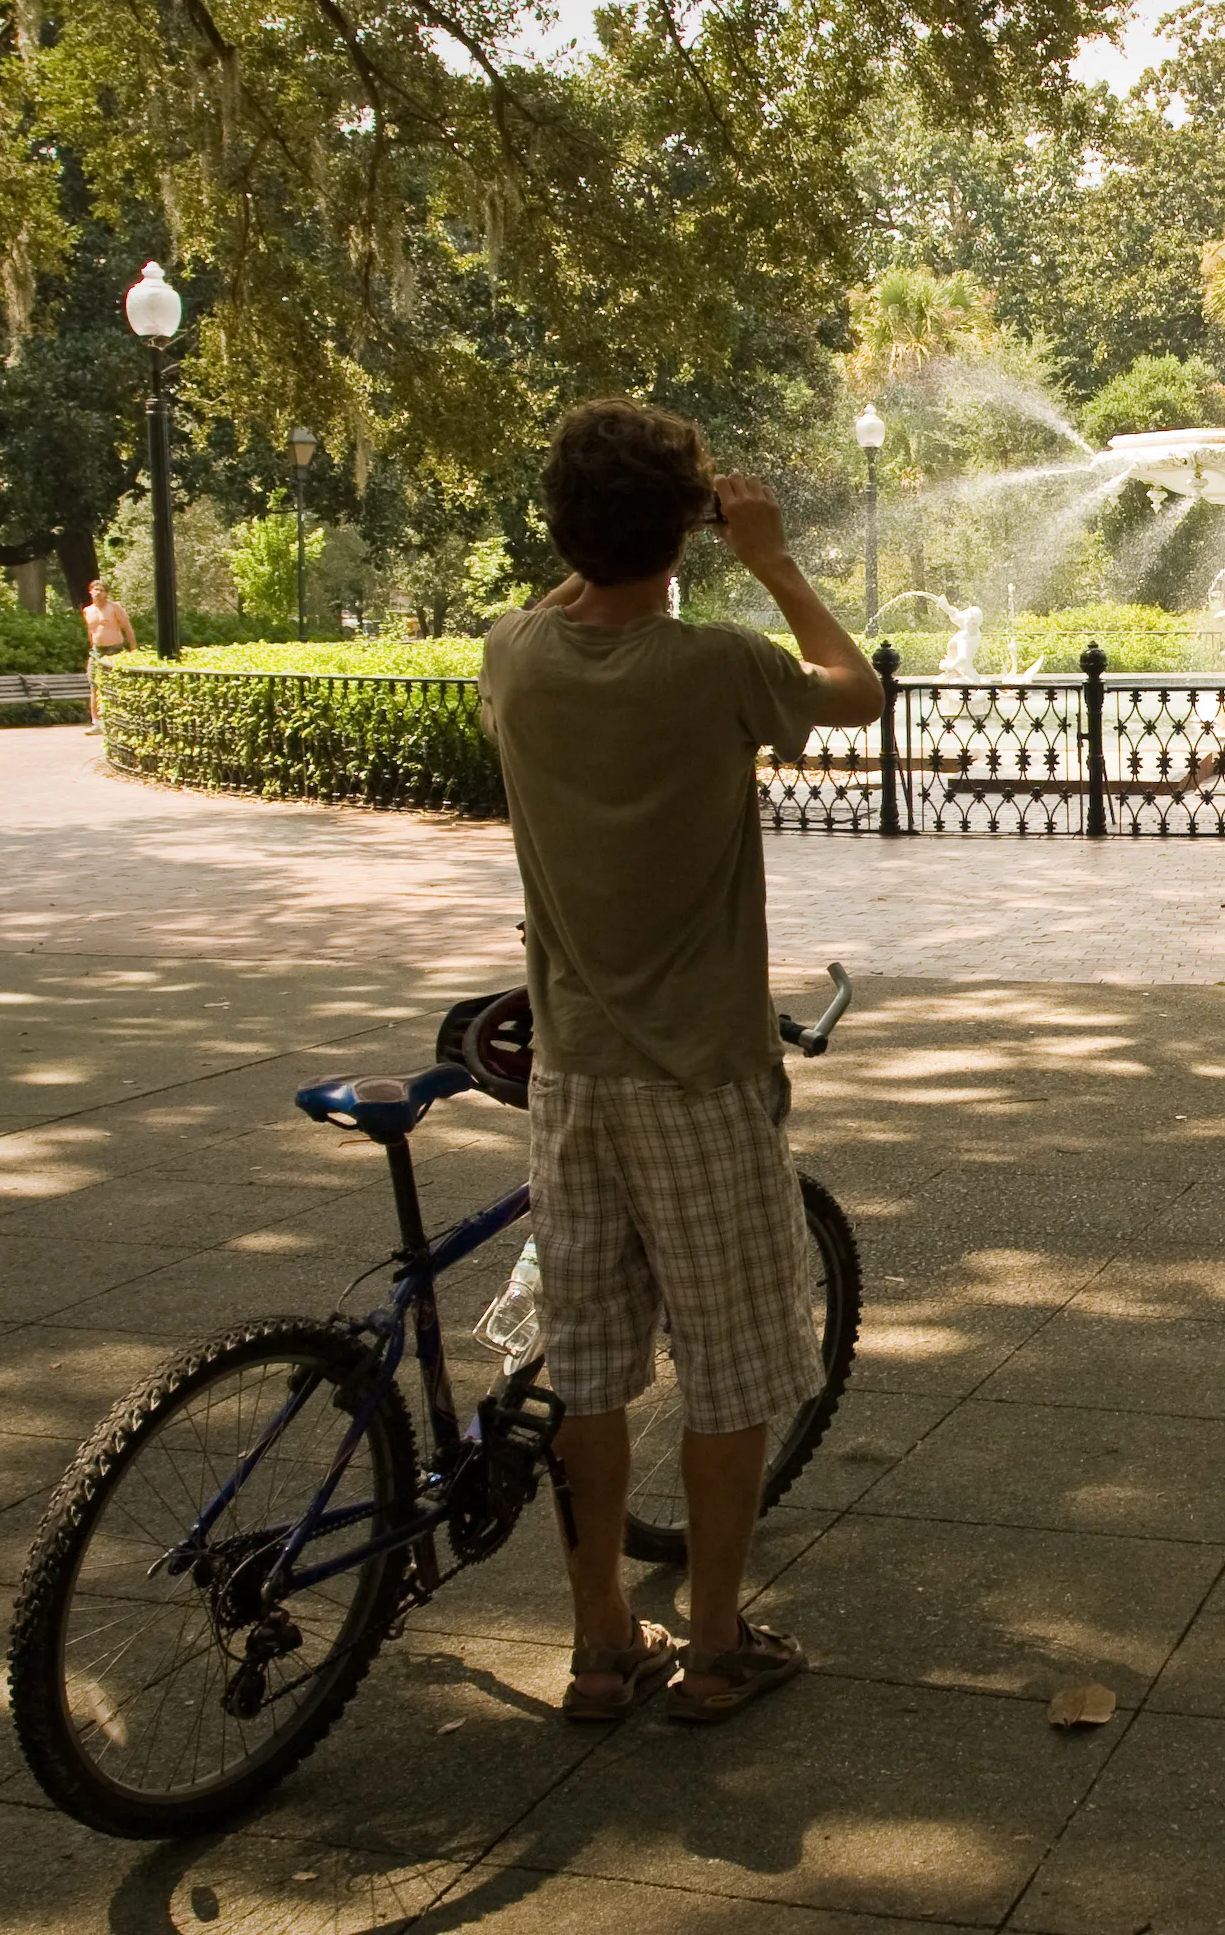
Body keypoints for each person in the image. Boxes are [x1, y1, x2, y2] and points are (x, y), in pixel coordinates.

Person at [476, 400, 882, 1725]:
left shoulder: (515, 656)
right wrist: (765, 557)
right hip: (699, 1080)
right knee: (731, 1365)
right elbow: (857, 693)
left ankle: (600, 1643)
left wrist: (615, 540)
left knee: (584, 1368)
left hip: (572, 1079)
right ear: (689, 530)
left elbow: (575, 599)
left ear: (562, 530)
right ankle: (712, 1645)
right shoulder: (715, 667)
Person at [78, 578, 134, 728]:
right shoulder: (87, 610)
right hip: (97, 652)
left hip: (114, 649)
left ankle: (119, 719)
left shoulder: (114, 608)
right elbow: (91, 631)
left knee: (116, 685)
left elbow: (127, 628)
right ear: (90, 592)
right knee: (94, 685)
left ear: (106, 593)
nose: (98, 593)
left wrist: (133, 649)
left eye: (101, 590)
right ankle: (96, 721)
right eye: (95, 590)